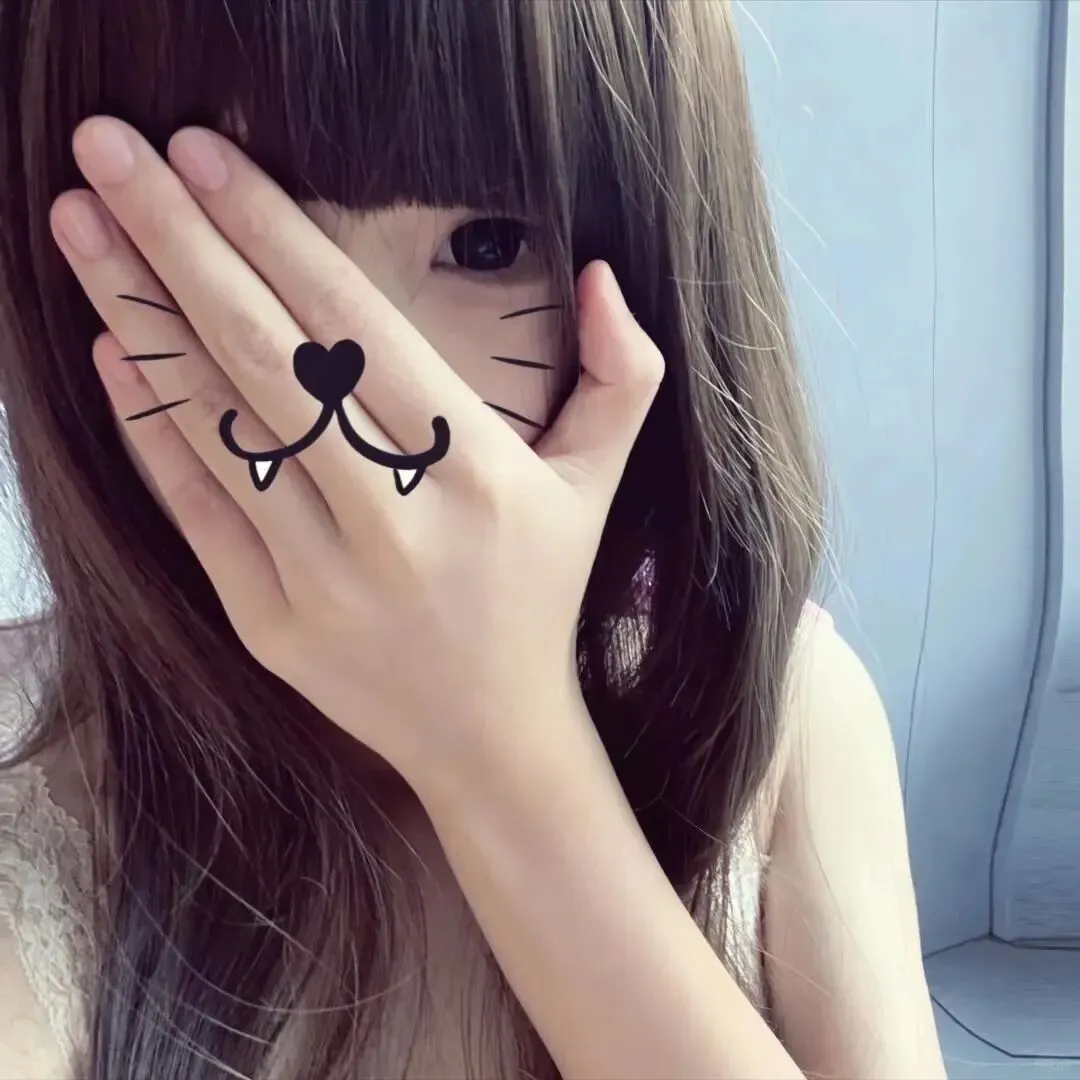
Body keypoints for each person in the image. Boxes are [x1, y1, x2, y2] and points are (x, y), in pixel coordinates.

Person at [0, 1, 948, 1078]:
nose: (361, 379)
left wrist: (501, 752)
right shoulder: (37, 784)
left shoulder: (790, 725)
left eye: (485, 245)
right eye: (223, 251)